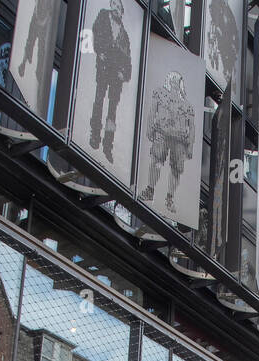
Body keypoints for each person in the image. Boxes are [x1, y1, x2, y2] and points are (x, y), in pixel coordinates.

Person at [141, 71, 195, 214]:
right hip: (162, 133)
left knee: (176, 169)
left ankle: (170, 198)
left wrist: (190, 146)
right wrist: (149, 128)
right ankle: (150, 190)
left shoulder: (187, 105)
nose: (175, 84)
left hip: (180, 140)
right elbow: (152, 111)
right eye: (173, 81)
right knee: (156, 161)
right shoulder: (160, 93)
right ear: (169, 82)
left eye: (177, 82)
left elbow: (192, 126)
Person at [89, 0, 132, 164]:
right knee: (99, 100)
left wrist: (124, 74)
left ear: (122, 11)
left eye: (119, 6)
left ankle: (108, 145)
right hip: (104, 67)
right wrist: (99, 51)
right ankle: (95, 135)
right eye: (114, 4)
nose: (115, 8)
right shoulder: (102, 16)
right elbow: (94, 32)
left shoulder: (125, 34)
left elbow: (129, 61)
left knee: (112, 110)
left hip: (116, 75)